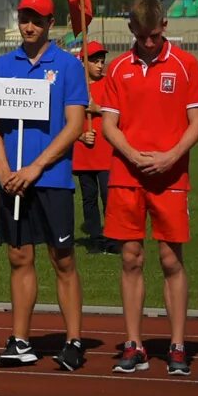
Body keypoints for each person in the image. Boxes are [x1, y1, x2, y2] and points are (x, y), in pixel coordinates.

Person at [98, 0, 198, 376]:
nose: (148, 43)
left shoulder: (185, 64)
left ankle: (177, 345)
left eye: (154, 36)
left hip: (171, 176)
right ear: (131, 31)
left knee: (171, 259)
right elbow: (109, 125)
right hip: (127, 176)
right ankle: (134, 344)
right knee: (130, 258)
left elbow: (197, 123)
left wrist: (170, 157)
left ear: (164, 26)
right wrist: (132, 153)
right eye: (142, 37)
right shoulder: (118, 69)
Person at [0, 0, 89, 371]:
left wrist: (36, 167)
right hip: (12, 180)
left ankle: (74, 339)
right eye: (24, 18)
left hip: (52, 180)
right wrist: (2, 169)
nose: (29, 26)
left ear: (50, 23)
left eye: (37, 19)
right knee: (19, 257)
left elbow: (75, 125)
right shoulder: (2, 66)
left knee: (62, 259)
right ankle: (20, 339)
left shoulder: (67, 66)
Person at [73, 41, 116, 252]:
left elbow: (120, 112)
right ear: (83, 62)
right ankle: (95, 239)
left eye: (102, 61)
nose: (100, 65)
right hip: (84, 154)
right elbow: (65, 119)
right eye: (95, 61)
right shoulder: (75, 85)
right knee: (88, 198)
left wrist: (97, 108)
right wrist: (80, 135)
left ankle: (112, 238)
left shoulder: (110, 84)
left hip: (106, 153)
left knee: (108, 196)